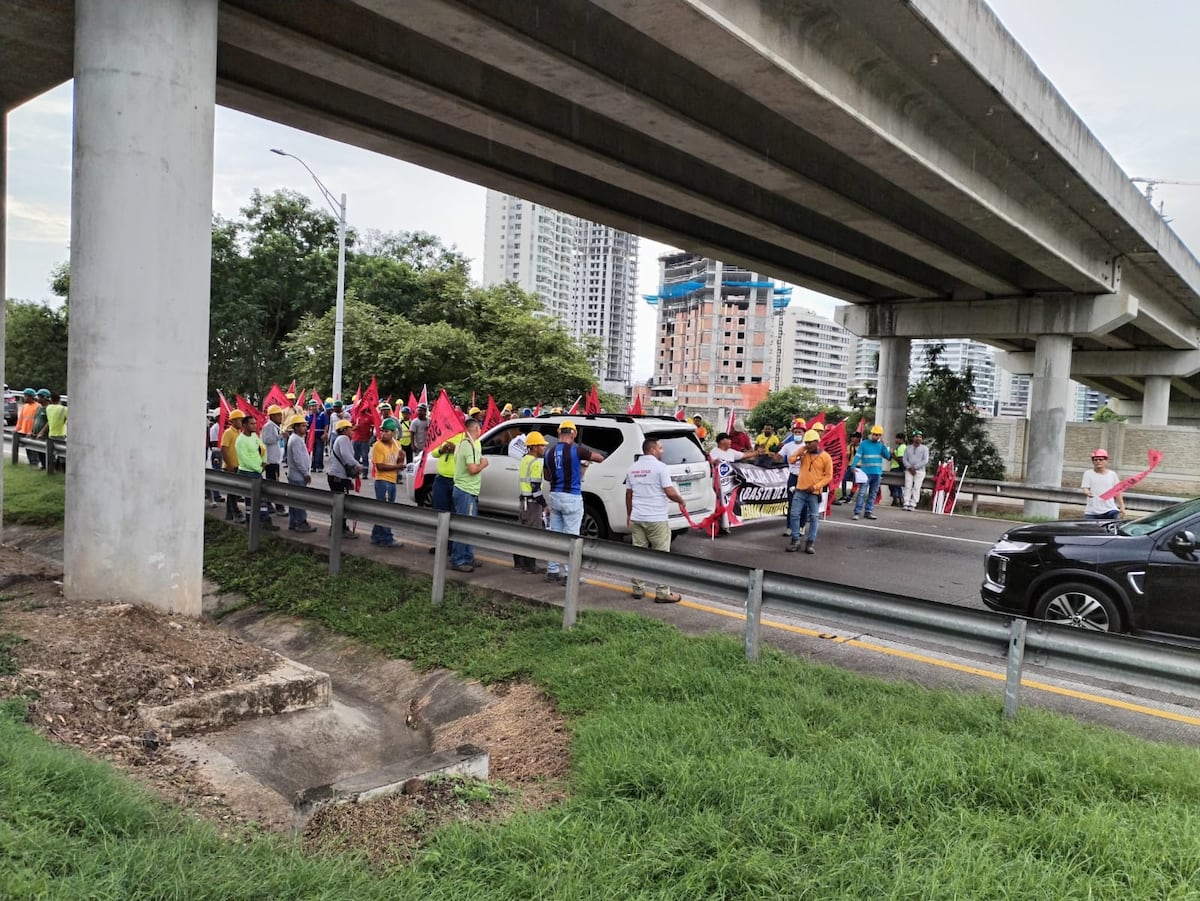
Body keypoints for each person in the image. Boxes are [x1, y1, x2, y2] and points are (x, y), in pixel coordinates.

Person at [542, 419, 606, 584]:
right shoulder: (577, 450)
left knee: (556, 534)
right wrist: (587, 458)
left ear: (559, 433)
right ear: (573, 434)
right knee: (572, 537)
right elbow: (599, 458)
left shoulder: (548, 452)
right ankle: (570, 575)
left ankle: (552, 570)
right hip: (571, 496)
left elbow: (547, 476)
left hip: (555, 495)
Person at [625, 437, 687, 602]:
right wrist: (681, 500)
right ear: (652, 450)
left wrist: (629, 514)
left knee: (639, 554)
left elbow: (629, 494)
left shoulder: (632, 468)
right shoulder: (661, 468)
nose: (662, 451)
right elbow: (669, 491)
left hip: (638, 518)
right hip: (656, 518)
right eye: (660, 448)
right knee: (661, 556)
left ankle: (638, 589)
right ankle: (662, 592)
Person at [786, 430, 833, 554]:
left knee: (814, 517)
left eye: (810, 442)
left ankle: (810, 542)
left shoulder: (826, 457)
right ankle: (795, 540)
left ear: (817, 442)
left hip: (814, 493)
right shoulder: (804, 453)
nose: (807, 445)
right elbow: (791, 460)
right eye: (806, 442)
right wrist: (800, 450)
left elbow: (828, 476)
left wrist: (816, 486)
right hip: (800, 490)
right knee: (794, 514)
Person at [451, 418, 488, 572]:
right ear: (476, 429)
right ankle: (459, 560)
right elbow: (472, 469)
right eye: (479, 429)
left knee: (468, 526)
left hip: (467, 490)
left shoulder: (463, 443)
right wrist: (483, 464)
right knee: (464, 527)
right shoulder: (468, 446)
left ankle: (467, 556)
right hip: (465, 490)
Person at [708, 433, 760, 535]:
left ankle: (726, 525)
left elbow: (744, 455)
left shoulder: (731, 452)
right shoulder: (714, 451)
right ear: (721, 441)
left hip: (730, 485)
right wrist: (714, 461)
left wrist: (757, 453)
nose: (730, 442)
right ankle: (716, 526)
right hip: (718, 484)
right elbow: (710, 461)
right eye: (728, 439)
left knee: (728, 504)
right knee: (718, 505)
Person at [234, 415, 279, 531]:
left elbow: (263, 448)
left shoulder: (254, 436)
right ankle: (251, 523)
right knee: (251, 500)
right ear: (244, 425)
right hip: (247, 473)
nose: (254, 426)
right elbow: (244, 459)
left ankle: (263, 522)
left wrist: (263, 461)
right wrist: (259, 469)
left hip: (256, 472)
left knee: (261, 499)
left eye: (255, 423)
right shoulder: (240, 440)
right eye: (251, 424)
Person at [513, 430, 548, 573]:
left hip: (524, 502)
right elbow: (536, 489)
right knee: (533, 535)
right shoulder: (536, 463)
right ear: (533, 447)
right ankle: (530, 566)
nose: (544, 448)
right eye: (542, 445)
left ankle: (519, 562)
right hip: (533, 504)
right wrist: (544, 505)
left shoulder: (524, 460)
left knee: (522, 532)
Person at [369, 417, 404, 546]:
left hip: (392, 480)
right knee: (385, 510)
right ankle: (386, 538)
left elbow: (399, 462)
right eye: (382, 431)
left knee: (384, 509)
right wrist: (397, 466)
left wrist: (401, 459)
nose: (383, 434)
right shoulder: (377, 446)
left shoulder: (397, 444)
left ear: (393, 432)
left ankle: (376, 536)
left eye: (386, 431)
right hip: (382, 480)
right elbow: (380, 466)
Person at [326, 418, 359, 539]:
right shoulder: (343, 439)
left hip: (337, 476)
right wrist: (357, 465)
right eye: (350, 429)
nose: (352, 431)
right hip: (338, 477)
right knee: (341, 505)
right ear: (344, 430)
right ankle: (339, 529)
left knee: (338, 504)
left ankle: (337, 528)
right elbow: (346, 456)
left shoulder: (340, 439)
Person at [284, 414, 316, 532]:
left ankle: (294, 522)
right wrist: (305, 473)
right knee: (299, 500)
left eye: (305, 426)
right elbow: (298, 459)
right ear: (296, 427)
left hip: (296, 475)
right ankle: (300, 522)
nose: (305, 428)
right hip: (298, 476)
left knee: (294, 500)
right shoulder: (296, 440)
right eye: (302, 426)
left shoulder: (297, 439)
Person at [851, 425, 890, 520]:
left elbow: (888, 456)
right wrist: (853, 466)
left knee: (873, 494)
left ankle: (868, 511)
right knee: (862, 493)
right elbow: (858, 455)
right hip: (866, 473)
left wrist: (884, 446)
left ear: (880, 436)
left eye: (877, 435)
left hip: (877, 473)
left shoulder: (881, 445)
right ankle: (857, 512)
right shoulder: (864, 444)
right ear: (871, 434)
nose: (875, 436)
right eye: (874, 434)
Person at [1081, 448, 1126, 520]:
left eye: (1101, 459)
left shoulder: (1112, 474)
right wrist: (1087, 492)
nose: (1098, 461)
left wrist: (1122, 506)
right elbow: (1085, 487)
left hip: (1110, 510)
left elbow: (1118, 492)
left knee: (1117, 524)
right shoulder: (1088, 473)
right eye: (1095, 460)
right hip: (1092, 512)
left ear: (1106, 461)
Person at [220, 409, 245, 520]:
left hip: (237, 466)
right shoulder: (228, 432)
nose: (242, 422)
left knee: (233, 492)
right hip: (230, 467)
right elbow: (224, 449)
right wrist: (229, 465)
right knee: (233, 492)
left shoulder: (239, 433)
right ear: (233, 421)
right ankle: (236, 512)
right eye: (240, 420)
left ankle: (229, 514)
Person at [262, 404, 287, 515]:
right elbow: (267, 440)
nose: (281, 417)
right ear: (272, 416)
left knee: (272, 483)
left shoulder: (274, 426)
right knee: (274, 484)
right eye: (278, 415)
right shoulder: (269, 426)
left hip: (275, 459)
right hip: (271, 460)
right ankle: (278, 506)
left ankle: (269, 504)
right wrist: (280, 436)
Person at [902, 430, 929, 511]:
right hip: (909, 470)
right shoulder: (908, 448)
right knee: (908, 486)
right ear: (913, 438)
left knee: (916, 487)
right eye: (917, 437)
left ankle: (913, 503)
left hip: (920, 471)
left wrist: (915, 467)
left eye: (920, 437)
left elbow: (925, 460)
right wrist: (910, 467)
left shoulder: (925, 449)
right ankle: (906, 502)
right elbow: (904, 459)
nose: (918, 438)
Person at [15, 388, 39, 466]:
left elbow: (37, 420)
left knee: (33, 449)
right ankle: (31, 463)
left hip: (32, 432)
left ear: (31, 397)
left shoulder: (37, 406)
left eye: (25, 396)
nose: (24, 398)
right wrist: (17, 429)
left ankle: (35, 463)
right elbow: (20, 419)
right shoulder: (24, 406)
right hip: (24, 431)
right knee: (27, 448)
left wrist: (32, 431)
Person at [835, 432, 862, 504]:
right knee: (844, 479)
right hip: (850, 466)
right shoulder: (850, 446)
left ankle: (850, 497)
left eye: (854, 437)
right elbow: (847, 457)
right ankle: (844, 495)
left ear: (858, 438)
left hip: (859, 467)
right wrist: (845, 466)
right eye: (852, 437)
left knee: (855, 482)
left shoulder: (862, 447)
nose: (852, 439)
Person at [350, 401, 376, 469]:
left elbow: (373, 428)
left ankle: (365, 471)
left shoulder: (369, 417)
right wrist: (354, 427)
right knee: (355, 456)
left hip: (365, 440)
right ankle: (355, 470)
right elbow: (350, 427)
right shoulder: (355, 416)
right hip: (355, 439)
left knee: (365, 456)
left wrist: (369, 437)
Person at [306, 398, 328, 472]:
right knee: (312, 452)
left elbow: (326, 425)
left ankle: (319, 466)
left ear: (318, 406)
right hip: (311, 437)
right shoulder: (308, 416)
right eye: (312, 406)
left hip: (320, 436)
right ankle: (313, 466)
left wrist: (325, 434)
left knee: (319, 451)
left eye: (315, 406)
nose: (313, 408)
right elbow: (306, 425)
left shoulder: (322, 415)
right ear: (310, 407)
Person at [889, 432, 907, 506]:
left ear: (901, 439)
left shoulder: (902, 447)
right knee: (897, 485)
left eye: (897, 438)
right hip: (896, 467)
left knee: (893, 485)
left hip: (896, 468)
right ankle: (899, 500)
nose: (895, 440)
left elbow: (900, 459)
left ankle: (896, 500)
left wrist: (892, 455)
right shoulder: (900, 447)